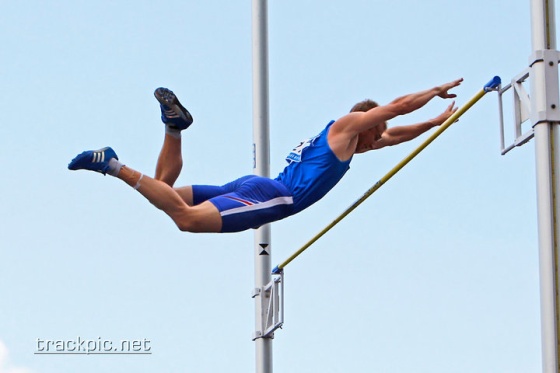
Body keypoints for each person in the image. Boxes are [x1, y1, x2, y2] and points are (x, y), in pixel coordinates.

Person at [68, 79, 463, 233]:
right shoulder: (346, 129)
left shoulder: (349, 142)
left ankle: (174, 126)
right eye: (374, 133)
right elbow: (395, 110)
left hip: (252, 184)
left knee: (163, 189)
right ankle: (113, 165)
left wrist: (435, 123)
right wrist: (432, 93)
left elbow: (395, 136)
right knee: (185, 221)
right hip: (271, 197)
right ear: (366, 123)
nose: (377, 141)